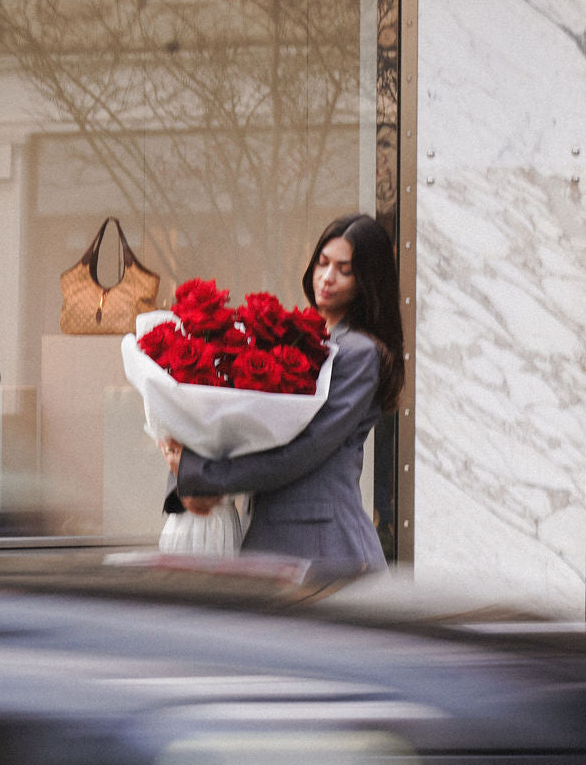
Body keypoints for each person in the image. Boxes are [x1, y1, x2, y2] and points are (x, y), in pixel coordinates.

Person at [161, 213, 405, 572]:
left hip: (325, 543)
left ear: (367, 280)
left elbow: (305, 448)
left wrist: (200, 473)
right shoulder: (294, 339)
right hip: (271, 531)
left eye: (344, 269)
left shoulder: (358, 353)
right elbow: (239, 426)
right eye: (322, 263)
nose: (327, 277)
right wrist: (186, 471)